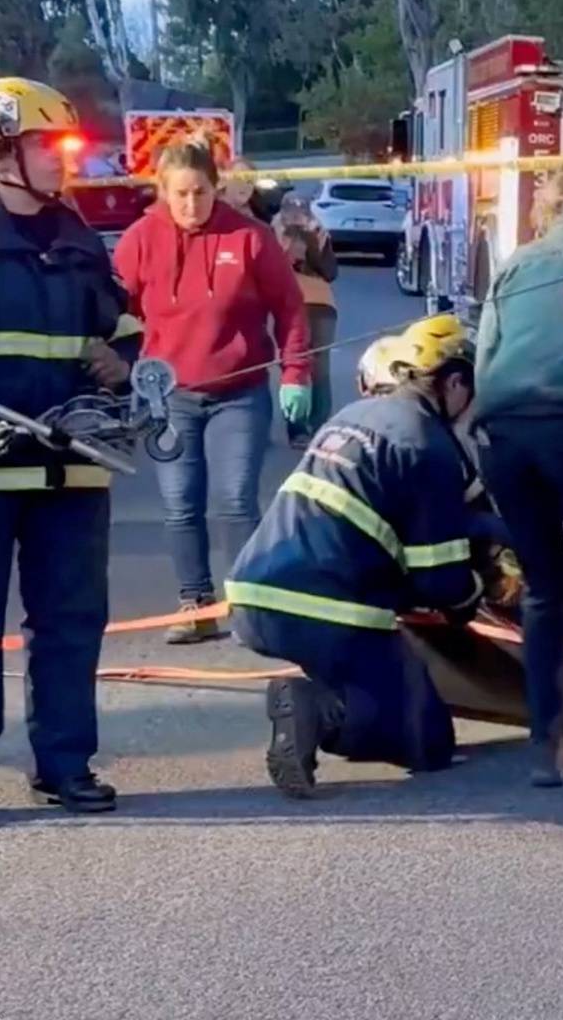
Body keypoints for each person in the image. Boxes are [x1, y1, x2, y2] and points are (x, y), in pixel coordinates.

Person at [224, 315, 495, 798]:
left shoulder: (355, 415)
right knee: (428, 742)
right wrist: (476, 590)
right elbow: (438, 580)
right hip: (323, 608)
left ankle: (327, 696)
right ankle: (320, 711)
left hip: (254, 593)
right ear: (454, 382)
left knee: (390, 685)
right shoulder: (428, 445)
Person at [0, 77, 141, 813]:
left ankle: (64, 764)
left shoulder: (80, 237)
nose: (63, 160)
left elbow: (124, 324)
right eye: (46, 146)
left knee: (71, 621)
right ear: (1, 152)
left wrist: (125, 362)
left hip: (75, 468)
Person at [113, 141, 312, 645]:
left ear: (215, 188)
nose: (190, 204)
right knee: (180, 502)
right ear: (161, 191)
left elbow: (289, 308)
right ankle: (196, 603)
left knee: (235, 500)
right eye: (179, 194)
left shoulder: (249, 236)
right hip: (169, 396)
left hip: (238, 390)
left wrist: (295, 374)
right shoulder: (139, 240)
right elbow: (115, 313)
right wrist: (120, 373)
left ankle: (252, 604)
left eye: (200, 193)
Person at [470, 148, 563, 787]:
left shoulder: (515, 266)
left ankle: (552, 741)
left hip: (507, 436)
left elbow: (485, 360)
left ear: (548, 210)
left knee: (542, 587)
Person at [273, 195, 340, 448]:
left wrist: (313, 242)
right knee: (293, 364)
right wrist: (284, 244)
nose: (296, 217)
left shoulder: (318, 233)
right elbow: (269, 268)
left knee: (320, 367)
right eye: (291, 212)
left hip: (321, 304)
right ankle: (298, 429)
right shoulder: (272, 232)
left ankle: (320, 425)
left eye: (301, 212)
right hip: (286, 304)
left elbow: (330, 272)